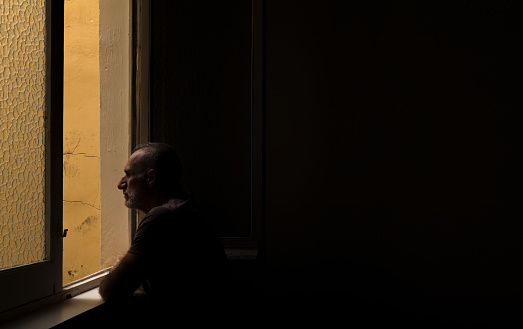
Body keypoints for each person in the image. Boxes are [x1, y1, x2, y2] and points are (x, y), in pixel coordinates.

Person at [99, 143, 234, 325]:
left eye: (128, 174)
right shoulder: (186, 205)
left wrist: (116, 271)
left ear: (151, 178)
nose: (120, 183)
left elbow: (109, 290)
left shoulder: (162, 216)